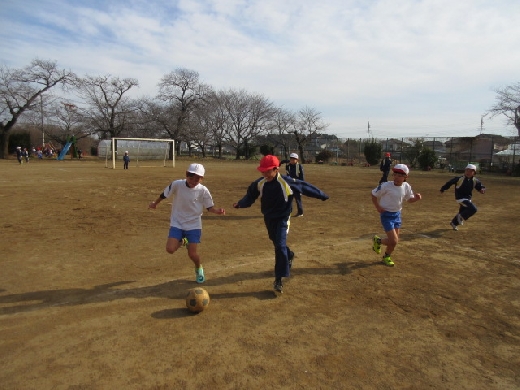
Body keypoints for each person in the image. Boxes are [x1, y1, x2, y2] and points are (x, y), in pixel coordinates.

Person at [233, 155, 329, 294]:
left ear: (276, 169)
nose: (264, 174)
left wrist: (321, 195)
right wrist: (241, 204)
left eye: (267, 171)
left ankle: (279, 278)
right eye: (262, 171)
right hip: (269, 218)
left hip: (283, 218)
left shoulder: (286, 182)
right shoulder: (260, 183)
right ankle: (289, 255)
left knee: (279, 245)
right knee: (277, 243)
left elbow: (304, 186)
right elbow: (250, 195)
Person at [148, 163, 225, 283]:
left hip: (194, 225)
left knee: (192, 254)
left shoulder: (203, 190)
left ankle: (198, 267)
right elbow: (164, 195)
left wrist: (217, 211)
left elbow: (209, 207)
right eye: (191, 178)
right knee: (170, 249)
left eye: (197, 179)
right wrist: (155, 203)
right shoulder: (177, 184)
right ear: (186, 174)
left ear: (202, 179)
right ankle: (184, 241)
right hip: (177, 222)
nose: (193, 181)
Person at [371, 164, 422, 267]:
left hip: (397, 215)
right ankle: (384, 252)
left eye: (400, 176)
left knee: (394, 241)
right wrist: (377, 207)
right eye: (395, 175)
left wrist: (416, 199)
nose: (397, 178)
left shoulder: (406, 186)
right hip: (386, 215)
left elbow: (409, 199)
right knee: (393, 241)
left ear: (405, 177)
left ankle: (384, 251)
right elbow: (373, 194)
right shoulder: (386, 185)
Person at [440, 163, 485, 231]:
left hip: (468, 199)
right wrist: (443, 188)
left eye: (470, 171)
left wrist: (482, 190)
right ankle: (460, 217)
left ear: (474, 173)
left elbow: (480, 187)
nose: (468, 172)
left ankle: (454, 223)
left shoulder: (475, 180)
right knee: (473, 209)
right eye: (467, 170)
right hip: (460, 198)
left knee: (463, 211)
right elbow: (449, 183)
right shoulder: (459, 179)